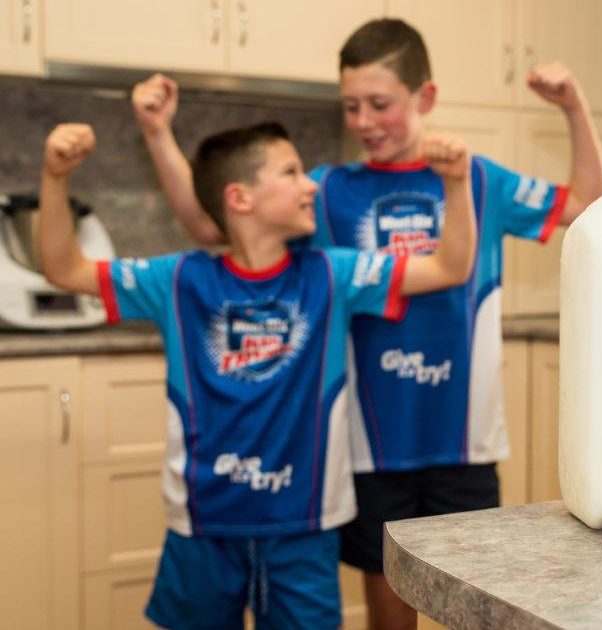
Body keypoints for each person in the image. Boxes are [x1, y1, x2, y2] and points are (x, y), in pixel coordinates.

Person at [130, 17, 602, 630]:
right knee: (392, 617)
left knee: (478, 611)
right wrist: (158, 134)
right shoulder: (324, 191)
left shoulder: (480, 178)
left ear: (424, 99)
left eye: (379, 104)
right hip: (369, 449)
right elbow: (213, 223)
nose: (363, 121)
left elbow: (590, 208)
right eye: (351, 106)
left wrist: (573, 106)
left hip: (465, 443)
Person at [37, 120, 476, 629]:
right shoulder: (178, 280)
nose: (310, 183)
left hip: (306, 526)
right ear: (241, 198)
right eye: (290, 171)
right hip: (203, 524)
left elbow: (450, 266)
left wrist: (457, 181)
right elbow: (64, 268)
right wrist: (54, 177)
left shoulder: (332, 275)